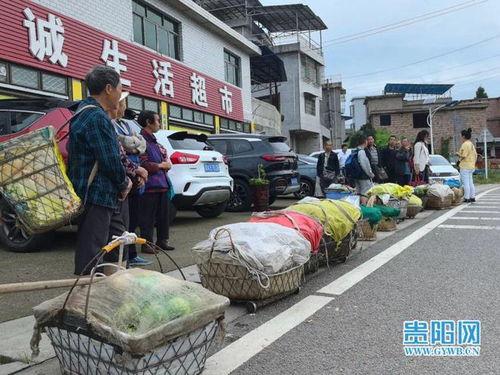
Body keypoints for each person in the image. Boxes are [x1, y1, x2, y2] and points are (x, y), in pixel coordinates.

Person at [67, 66, 132, 275]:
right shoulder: (96, 117)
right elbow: (109, 159)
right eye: (120, 89)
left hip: (105, 195)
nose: (121, 95)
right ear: (108, 89)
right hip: (96, 194)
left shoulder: (85, 112)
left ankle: (110, 289)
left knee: (118, 242)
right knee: (92, 251)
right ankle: (83, 297)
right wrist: (124, 184)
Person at [111, 94, 151, 266]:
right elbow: (125, 145)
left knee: (132, 218)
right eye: (123, 103)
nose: (124, 106)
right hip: (125, 175)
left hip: (135, 175)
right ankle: (125, 257)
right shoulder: (110, 124)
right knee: (122, 222)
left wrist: (133, 144)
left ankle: (131, 255)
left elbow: (142, 146)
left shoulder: (126, 124)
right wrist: (133, 144)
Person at [138, 110, 175, 252]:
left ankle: (162, 241)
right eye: (157, 120)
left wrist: (165, 163)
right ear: (148, 122)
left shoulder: (154, 140)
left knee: (163, 216)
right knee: (147, 217)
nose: (159, 123)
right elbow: (143, 163)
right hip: (149, 185)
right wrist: (161, 165)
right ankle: (147, 244)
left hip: (162, 184)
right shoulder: (141, 140)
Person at [457, 128, 477, 203]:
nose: (461, 137)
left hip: (465, 166)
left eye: (461, 136)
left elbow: (464, 155)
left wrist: (457, 154)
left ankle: (466, 198)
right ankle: (472, 197)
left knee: (466, 183)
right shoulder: (471, 144)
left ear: (464, 136)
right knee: (470, 182)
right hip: (471, 166)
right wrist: (473, 163)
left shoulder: (465, 144)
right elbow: (475, 155)